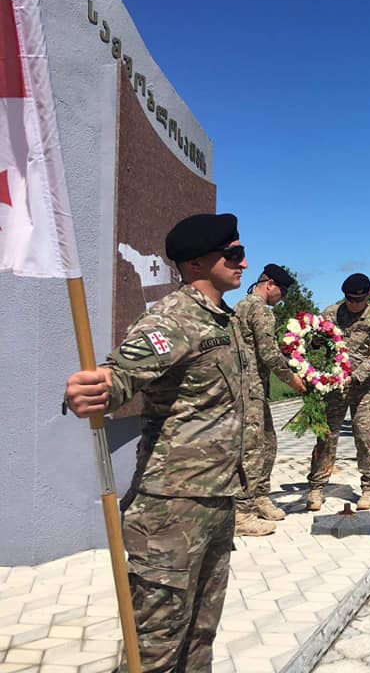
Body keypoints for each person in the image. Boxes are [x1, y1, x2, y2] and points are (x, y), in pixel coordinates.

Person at [64, 213, 249, 672]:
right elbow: (123, 372)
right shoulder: (175, 318)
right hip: (172, 509)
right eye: (234, 254)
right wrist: (97, 387)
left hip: (216, 497)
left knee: (201, 632)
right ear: (197, 263)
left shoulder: (225, 319)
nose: (244, 263)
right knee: (156, 645)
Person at [233, 264, 306, 536]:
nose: (283, 298)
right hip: (250, 387)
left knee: (267, 441)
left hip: (244, 385)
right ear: (270, 284)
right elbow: (269, 354)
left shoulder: (240, 305)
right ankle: (242, 514)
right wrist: (293, 380)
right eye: (282, 291)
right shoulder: (261, 310)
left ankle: (260, 497)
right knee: (253, 449)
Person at [306, 273, 370, 511]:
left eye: (358, 301)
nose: (353, 305)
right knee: (326, 436)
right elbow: (316, 339)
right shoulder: (331, 313)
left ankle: (369, 488)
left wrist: (356, 376)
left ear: (367, 296)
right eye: (350, 300)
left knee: (365, 437)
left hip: (362, 387)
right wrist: (316, 339)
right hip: (334, 387)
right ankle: (316, 487)